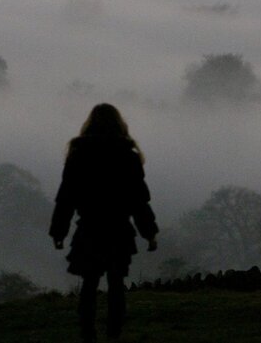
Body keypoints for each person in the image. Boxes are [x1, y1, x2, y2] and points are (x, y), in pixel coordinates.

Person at [50, 103, 159, 342]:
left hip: (89, 228)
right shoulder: (127, 157)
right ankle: (114, 333)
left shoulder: (79, 155)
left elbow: (66, 197)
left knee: (89, 284)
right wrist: (149, 233)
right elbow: (139, 200)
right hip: (119, 229)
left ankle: (87, 332)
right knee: (116, 283)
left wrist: (59, 232)